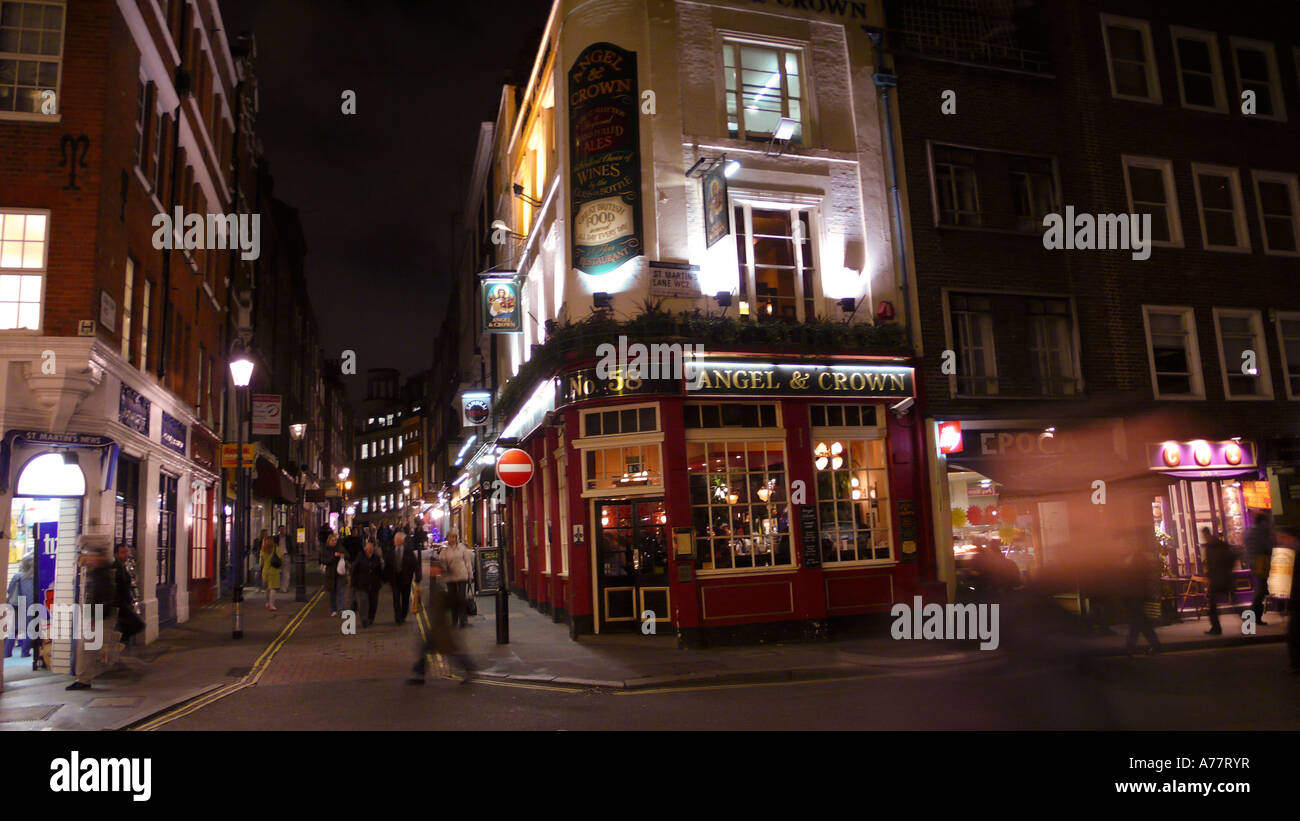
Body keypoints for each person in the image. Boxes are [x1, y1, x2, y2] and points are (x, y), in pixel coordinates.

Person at [66, 543, 121, 691]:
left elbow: (104, 597)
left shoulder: (103, 574)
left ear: (100, 558)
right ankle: (85, 678)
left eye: (92, 556)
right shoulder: (98, 572)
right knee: (90, 648)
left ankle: (85, 679)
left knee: (88, 648)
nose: (89, 559)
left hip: (98, 616)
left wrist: (94, 618)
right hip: (96, 615)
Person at [408, 574, 476, 685]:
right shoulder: (434, 589)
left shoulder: (438, 589)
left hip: (441, 631)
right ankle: (419, 675)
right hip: (435, 630)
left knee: (452, 652)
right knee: (425, 650)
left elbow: (452, 601)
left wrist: (464, 602)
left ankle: (470, 669)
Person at [1121, 543, 1161, 655]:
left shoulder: (1136, 559)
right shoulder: (1135, 559)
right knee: (1141, 622)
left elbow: (1136, 579)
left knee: (1137, 622)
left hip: (1136, 595)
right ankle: (1154, 645)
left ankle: (1129, 648)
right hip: (1136, 595)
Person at [1201, 526, 1237, 636]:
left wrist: (1209, 575)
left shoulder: (1210, 547)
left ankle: (1216, 628)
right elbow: (1232, 558)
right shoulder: (1222, 544)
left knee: (1212, 605)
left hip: (1217, 578)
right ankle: (1249, 627)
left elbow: (1210, 564)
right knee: (1236, 605)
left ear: (1206, 535)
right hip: (1226, 577)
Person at [1245, 513, 1274, 625]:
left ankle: (1254, 616)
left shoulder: (1249, 532)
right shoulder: (1263, 531)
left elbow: (1248, 549)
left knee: (1261, 589)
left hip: (1255, 563)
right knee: (1261, 590)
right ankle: (1254, 616)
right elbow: (1269, 546)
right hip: (1262, 562)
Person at [112, 544, 144, 646]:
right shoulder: (115, 569)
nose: (126, 554)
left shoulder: (123, 567)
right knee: (137, 624)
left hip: (124, 604)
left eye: (127, 551)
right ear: (116, 554)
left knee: (132, 626)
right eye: (123, 552)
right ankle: (119, 644)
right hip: (120, 605)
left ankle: (119, 645)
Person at [439, 535, 474, 629]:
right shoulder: (445, 551)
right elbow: (441, 563)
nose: (452, 539)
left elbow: (468, 562)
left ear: (456, 538)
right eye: (450, 537)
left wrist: (470, 575)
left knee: (461, 598)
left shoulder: (462, 548)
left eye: (453, 537)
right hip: (450, 577)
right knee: (453, 600)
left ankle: (463, 621)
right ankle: (454, 621)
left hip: (462, 576)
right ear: (447, 538)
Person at [4, 554, 34, 659]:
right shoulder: (34, 577)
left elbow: (9, 590)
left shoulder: (17, 576)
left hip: (16, 605)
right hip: (29, 604)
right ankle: (25, 652)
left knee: (13, 630)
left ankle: (7, 653)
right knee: (29, 629)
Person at [389, 531, 421, 625]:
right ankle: (398, 617)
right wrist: (385, 579)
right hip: (395, 579)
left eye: (397, 539)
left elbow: (415, 566)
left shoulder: (408, 552)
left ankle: (403, 614)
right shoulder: (391, 552)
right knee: (396, 599)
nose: (395, 541)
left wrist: (418, 578)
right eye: (395, 539)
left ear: (401, 541)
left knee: (405, 598)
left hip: (406, 579)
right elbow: (387, 566)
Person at [350, 538, 383, 628]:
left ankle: (371, 618)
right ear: (365, 547)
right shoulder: (360, 556)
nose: (369, 549)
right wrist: (353, 583)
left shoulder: (376, 557)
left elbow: (380, 571)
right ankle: (364, 619)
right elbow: (354, 570)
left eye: (372, 547)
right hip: (362, 584)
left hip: (374, 584)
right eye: (368, 547)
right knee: (363, 602)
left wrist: (381, 581)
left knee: (373, 603)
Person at [322, 531, 347, 616]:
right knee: (332, 593)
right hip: (331, 574)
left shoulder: (340, 547)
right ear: (328, 541)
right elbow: (325, 560)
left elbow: (347, 555)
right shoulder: (325, 549)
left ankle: (341, 609)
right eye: (332, 540)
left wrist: (343, 555)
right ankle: (333, 609)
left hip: (339, 574)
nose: (334, 542)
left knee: (340, 591)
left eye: (335, 540)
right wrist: (334, 556)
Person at [259, 535, 284, 611]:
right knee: (273, 588)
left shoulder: (262, 550)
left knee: (267, 588)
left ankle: (267, 603)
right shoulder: (275, 549)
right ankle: (271, 604)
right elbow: (280, 558)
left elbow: (260, 563)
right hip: (274, 571)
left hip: (265, 571)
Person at [277, 527, 292, 594]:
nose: (282, 531)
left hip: (286, 555)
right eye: (281, 529)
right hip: (278, 557)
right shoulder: (276, 538)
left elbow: (291, 546)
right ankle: (279, 586)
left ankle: (284, 588)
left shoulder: (288, 538)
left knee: (286, 572)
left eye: (283, 529)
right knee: (278, 572)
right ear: (279, 530)